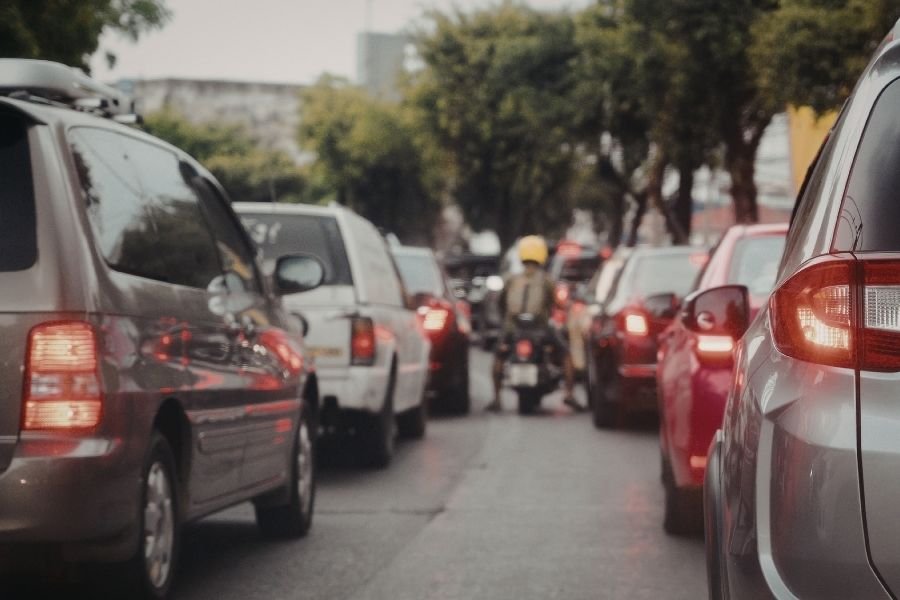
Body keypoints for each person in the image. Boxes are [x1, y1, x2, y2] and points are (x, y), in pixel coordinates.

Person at [487, 235, 581, 413]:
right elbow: (557, 304)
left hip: (513, 329)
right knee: (566, 354)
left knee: (499, 356)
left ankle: (497, 399)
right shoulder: (546, 280)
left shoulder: (511, 279)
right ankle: (569, 394)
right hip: (540, 330)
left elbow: (500, 304)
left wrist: (504, 324)